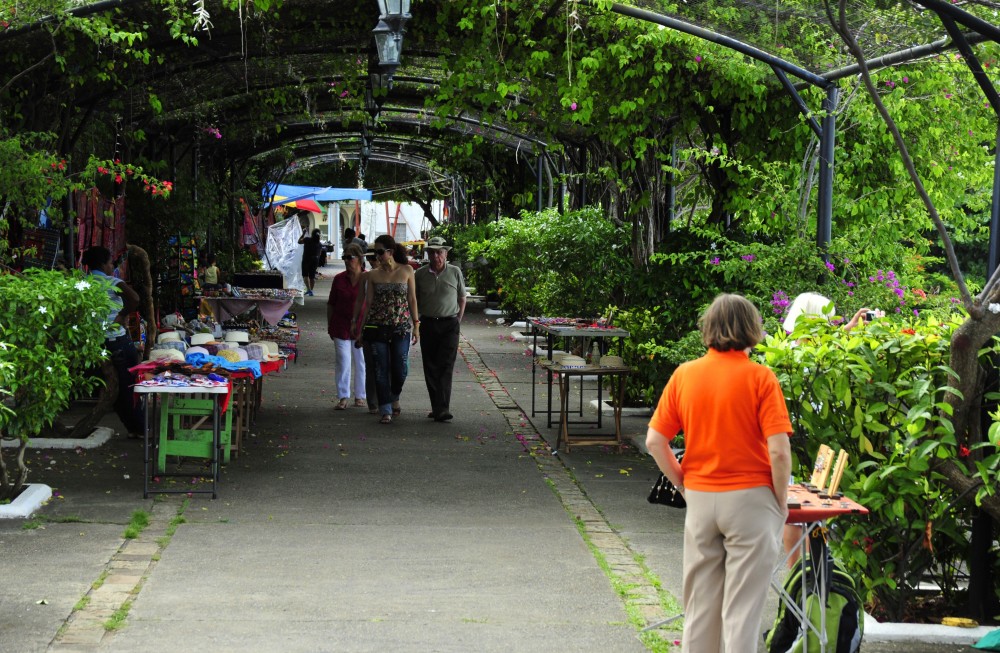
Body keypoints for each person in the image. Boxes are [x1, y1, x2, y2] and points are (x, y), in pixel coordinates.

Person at [645, 293, 792, 653]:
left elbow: (655, 441)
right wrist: (780, 500)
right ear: (752, 328)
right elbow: (778, 451)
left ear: (708, 327)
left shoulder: (685, 375)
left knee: (699, 609)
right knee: (742, 612)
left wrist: (682, 483)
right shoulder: (761, 378)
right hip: (751, 501)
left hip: (700, 498)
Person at [352, 234, 419, 424]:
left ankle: (393, 396)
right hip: (376, 327)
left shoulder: (407, 270)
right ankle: (385, 409)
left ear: (391, 252)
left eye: (380, 252)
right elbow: (368, 302)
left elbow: (412, 299)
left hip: (401, 327)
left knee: (400, 369)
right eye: (376, 252)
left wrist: (416, 325)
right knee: (380, 370)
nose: (378, 256)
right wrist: (360, 328)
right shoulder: (373, 275)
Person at [81, 246, 145, 438]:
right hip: (117, 341)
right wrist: (122, 314)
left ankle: (133, 428)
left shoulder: (82, 283)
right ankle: (140, 428)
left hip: (98, 343)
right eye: (110, 263)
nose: (112, 267)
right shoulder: (111, 281)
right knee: (130, 386)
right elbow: (135, 298)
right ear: (103, 264)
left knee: (114, 386)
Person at [414, 236, 466, 422]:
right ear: (427, 254)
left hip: (449, 324)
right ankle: (437, 407)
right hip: (428, 323)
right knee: (430, 366)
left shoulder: (454, 271)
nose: (436, 256)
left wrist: (457, 320)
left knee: (446, 365)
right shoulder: (420, 274)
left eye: (440, 252)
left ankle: (442, 408)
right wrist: (416, 322)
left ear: (446, 254)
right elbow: (414, 300)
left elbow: (462, 298)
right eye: (432, 252)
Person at [327, 244, 367, 410]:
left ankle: (360, 395)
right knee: (343, 361)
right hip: (340, 324)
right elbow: (331, 303)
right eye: (344, 257)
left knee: (361, 361)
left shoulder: (367, 278)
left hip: (361, 326)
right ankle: (343, 396)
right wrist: (330, 324)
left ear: (360, 259)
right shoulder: (339, 279)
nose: (347, 261)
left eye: (350, 257)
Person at [299, 228, 322, 296]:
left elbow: (299, 241)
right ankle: (311, 291)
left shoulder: (307, 239)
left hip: (306, 259)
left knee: (305, 275)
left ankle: (308, 289)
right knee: (312, 276)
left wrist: (303, 234)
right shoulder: (319, 244)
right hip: (315, 260)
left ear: (312, 234)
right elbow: (319, 254)